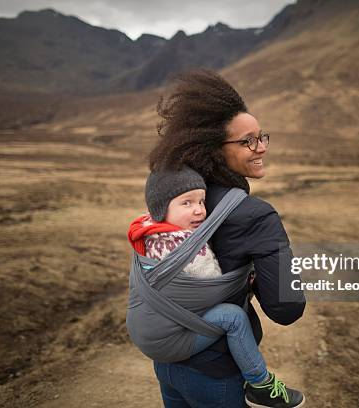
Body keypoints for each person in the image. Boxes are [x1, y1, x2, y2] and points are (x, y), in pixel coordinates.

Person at [147, 69, 306, 408]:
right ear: (214, 149)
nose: (260, 147)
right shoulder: (257, 215)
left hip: (168, 362)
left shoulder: (180, 201)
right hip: (217, 369)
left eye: (262, 136)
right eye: (247, 141)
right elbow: (286, 308)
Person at [127, 167, 305, 407]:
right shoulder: (185, 244)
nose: (199, 210)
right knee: (233, 317)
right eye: (187, 203)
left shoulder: (148, 231)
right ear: (161, 208)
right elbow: (212, 283)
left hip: (153, 344)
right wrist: (247, 278)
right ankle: (260, 383)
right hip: (174, 343)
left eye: (201, 201)